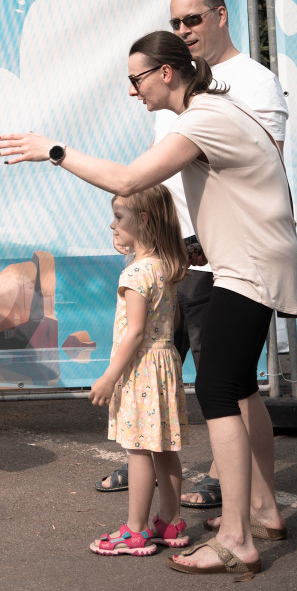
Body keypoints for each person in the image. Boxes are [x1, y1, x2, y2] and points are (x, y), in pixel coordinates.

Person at [0, 30, 297, 576]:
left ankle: (237, 538)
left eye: (136, 79)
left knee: (218, 388)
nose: (132, 90)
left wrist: (54, 151)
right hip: (253, 259)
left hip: (249, 268)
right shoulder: (215, 110)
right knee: (235, 386)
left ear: (166, 72)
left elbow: (130, 180)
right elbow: (246, 196)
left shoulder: (202, 117)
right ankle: (259, 511)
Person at [96, 0, 290, 510]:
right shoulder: (176, 94)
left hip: (220, 258)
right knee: (153, 367)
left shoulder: (251, 83)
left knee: (224, 383)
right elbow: (156, 181)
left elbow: (262, 169)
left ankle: (239, 493)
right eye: (175, 23)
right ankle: (149, 461)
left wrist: (55, 151)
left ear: (221, 15)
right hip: (173, 256)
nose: (183, 30)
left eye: (193, 19)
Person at [88, 186, 190, 557]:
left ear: (143, 220)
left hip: (140, 370)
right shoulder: (166, 267)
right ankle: (171, 521)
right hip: (164, 364)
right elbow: (168, 322)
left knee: (138, 450)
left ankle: (135, 531)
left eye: (119, 217)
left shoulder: (136, 274)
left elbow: (133, 332)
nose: (112, 224)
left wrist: (109, 376)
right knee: (163, 447)